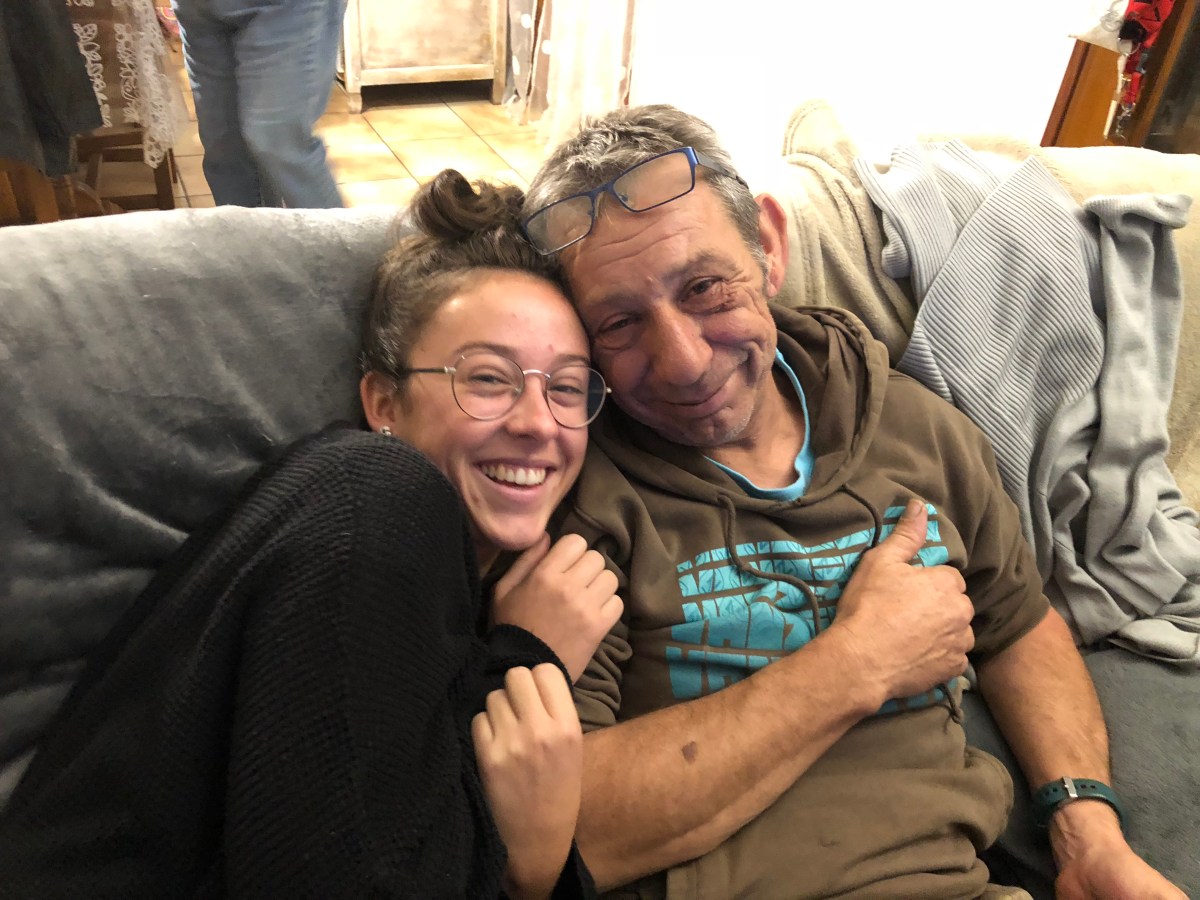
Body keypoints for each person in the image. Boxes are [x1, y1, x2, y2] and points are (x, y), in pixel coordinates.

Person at [520, 106, 1185, 899]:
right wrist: (857, 663)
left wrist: (1088, 836)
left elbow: (1017, 624)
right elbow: (565, 832)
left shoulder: (917, 428)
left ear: (769, 246)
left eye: (704, 287)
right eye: (620, 323)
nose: (683, 361)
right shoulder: (576, 499)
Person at [0, 170, 621, 899]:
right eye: (487, 378)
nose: (539, 422)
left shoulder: (464, 584)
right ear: (383, 402)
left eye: (567, 387)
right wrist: (528, 664)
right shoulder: (370, 497)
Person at [171, 0, 345, 207]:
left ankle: (336, 230)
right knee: (225, 147)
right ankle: (249, 230)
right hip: (197, 8)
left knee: (279, 141)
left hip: (286, 6)